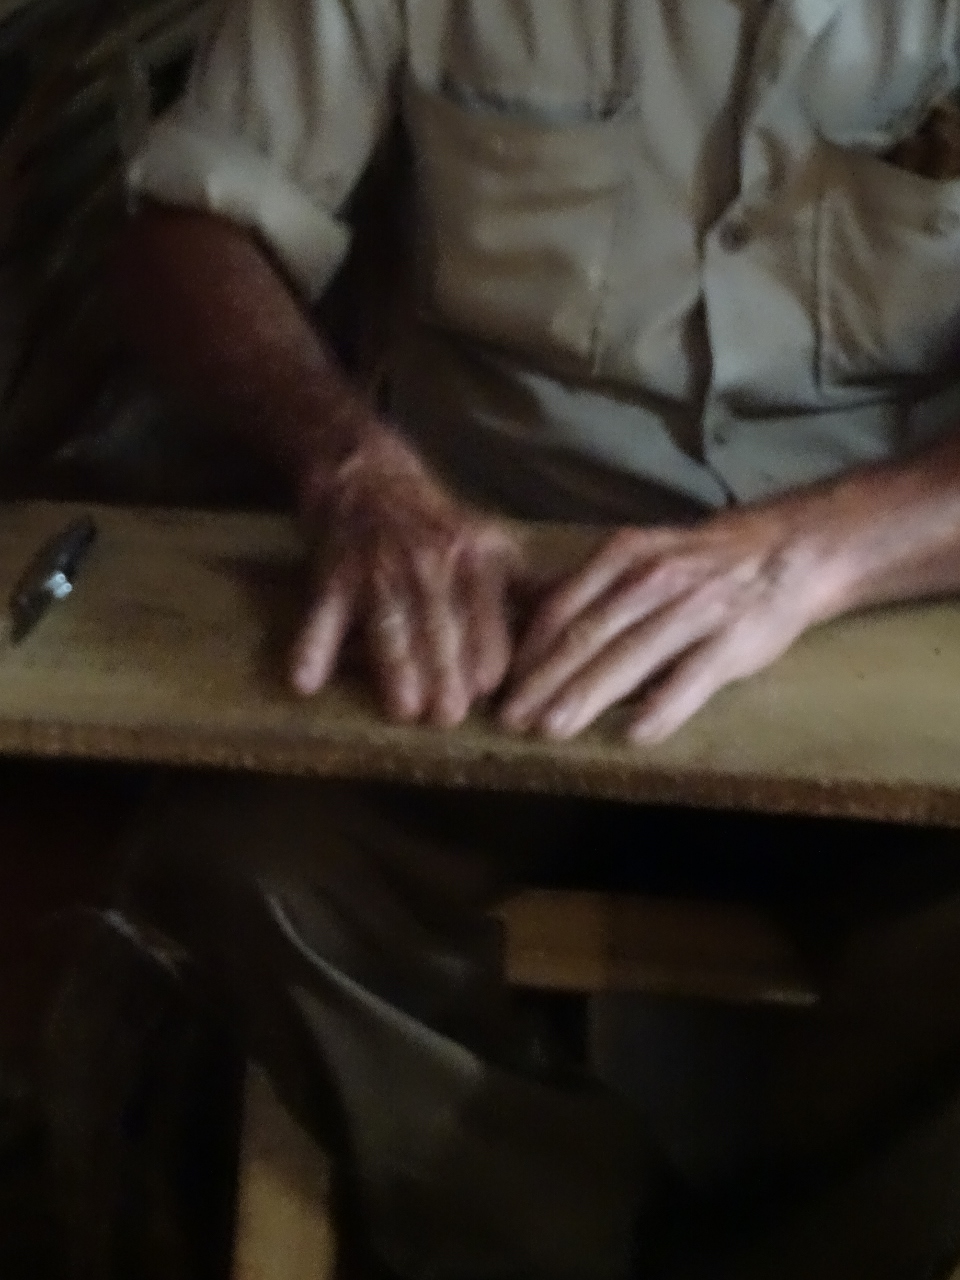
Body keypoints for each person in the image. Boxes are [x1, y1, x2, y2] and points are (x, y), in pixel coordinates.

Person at [45, 3, 960, 1278]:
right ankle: (542, 1239)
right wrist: (349, 462)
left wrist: (815, 554)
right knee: (248, 870)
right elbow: (190, 231)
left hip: (880, 604)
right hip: (481, 592)